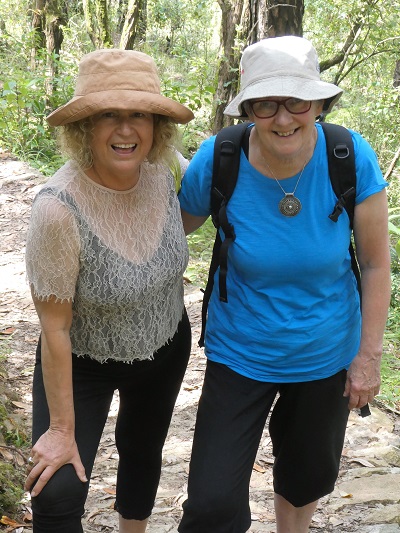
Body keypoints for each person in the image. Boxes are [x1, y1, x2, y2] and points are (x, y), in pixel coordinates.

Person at [178, 36, 391, 533]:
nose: (283, 117)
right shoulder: (220, 158)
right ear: (248, 108)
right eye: (266, 103)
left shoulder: (349, 156)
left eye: (296, 101)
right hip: (241, 353)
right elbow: (168, 233)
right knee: (210, 504)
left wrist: (367, 358)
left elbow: (378, 266)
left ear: (318, 102)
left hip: (326, 353)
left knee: (306, 480)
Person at [24, 48, 194, 533]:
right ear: (83, 129)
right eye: (108, 116)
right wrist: (61, 431)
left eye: (138, 114)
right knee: (55, 492)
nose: (125, 130)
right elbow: (53, 328)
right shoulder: (58, 209)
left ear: (156, 126)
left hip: (164, 344)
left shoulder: (163, 174)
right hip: (82, 359)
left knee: (142, 454)